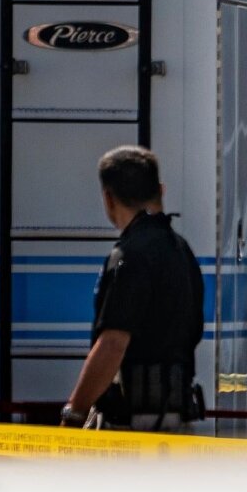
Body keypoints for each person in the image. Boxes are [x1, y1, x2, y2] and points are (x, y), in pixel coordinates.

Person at [61, 146, 205, 431]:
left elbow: (113, 344)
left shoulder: (129, 256)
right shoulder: (181, 249)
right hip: (178, 416)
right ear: (160, 191)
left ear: (109, 198)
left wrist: (75, 413)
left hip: (136, 426)